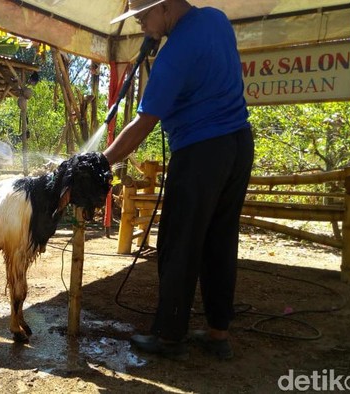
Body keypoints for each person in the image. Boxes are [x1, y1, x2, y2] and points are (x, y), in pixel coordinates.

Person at [105, 0, 254, 361]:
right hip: (238, 144)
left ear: (167, 7)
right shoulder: (216, 21)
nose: (142, 27)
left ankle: (170, 336)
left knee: (179, 243)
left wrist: (101, 161)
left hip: (201, 152)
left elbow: (143, 124)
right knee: (220, 238)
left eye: (143, 18)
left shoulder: (174, 56)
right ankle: (218, 332)